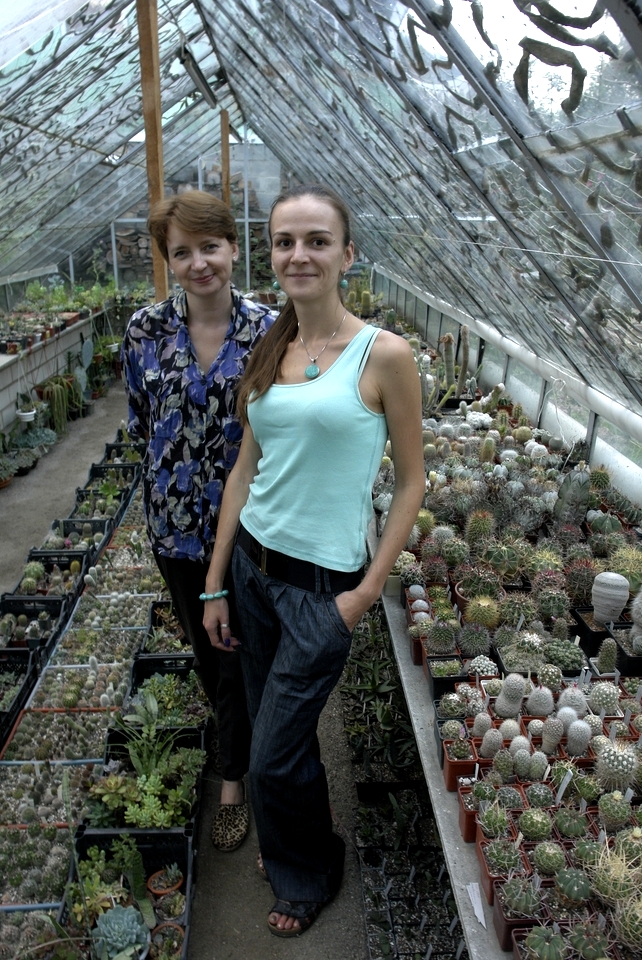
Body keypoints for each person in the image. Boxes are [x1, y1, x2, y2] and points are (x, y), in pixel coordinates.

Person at [202, 184, 424, 936]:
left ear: (347, 255)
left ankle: (309, 874)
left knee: (272, 753)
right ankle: (301, 849)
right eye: (284, 241)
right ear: (271, 255)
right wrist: (215, 583)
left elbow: (412, 481)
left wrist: (363, 595)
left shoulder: (383, 354)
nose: (299, 254)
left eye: (317, 241)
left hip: (321, 591)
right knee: (282, 741)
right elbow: (245, 470)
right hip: (253, 571)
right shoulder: (272, 345)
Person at [121, 190, 274, 853]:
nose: (199, 263)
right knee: (209, 654)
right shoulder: (145, 331)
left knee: (240, 655)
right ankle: (241, 761)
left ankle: (238, 781)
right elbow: (140, 421)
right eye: (182, 252)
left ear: (233, 247)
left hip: (251, 529)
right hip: (176, 530)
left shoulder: (271, 330)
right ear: (169, 261)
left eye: (209, 246)